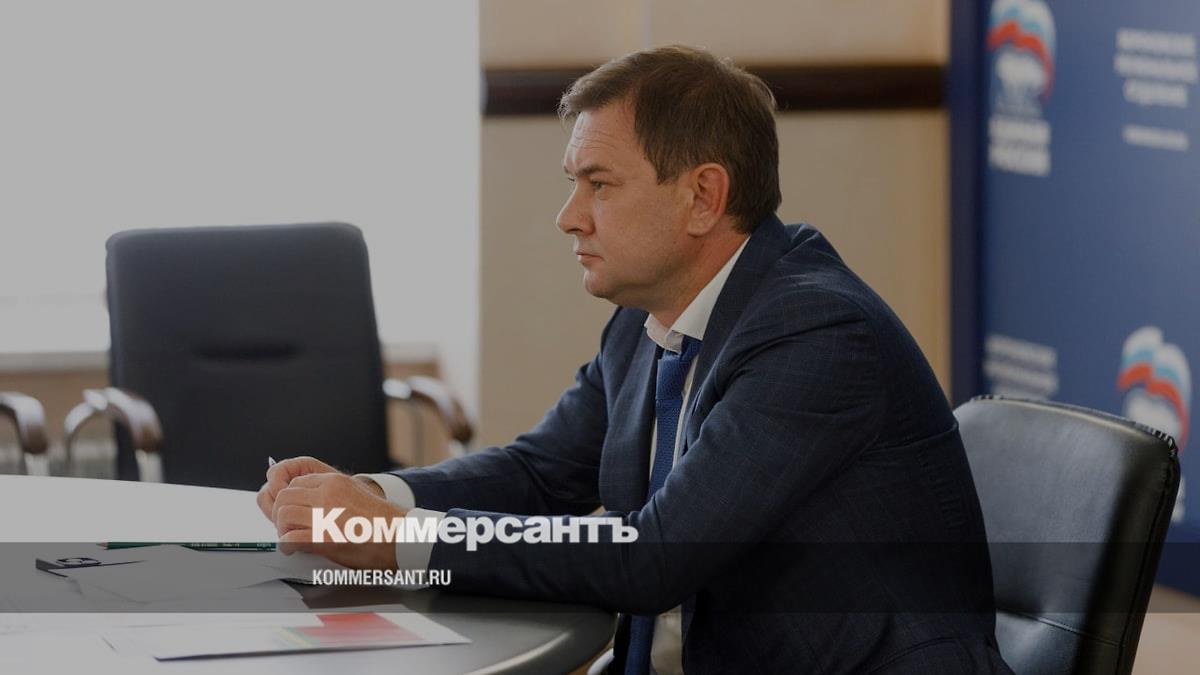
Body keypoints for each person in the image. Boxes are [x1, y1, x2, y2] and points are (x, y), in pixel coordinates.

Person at [258, 45, 1012, 674]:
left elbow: (653, 555)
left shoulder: (815, 332)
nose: (568, 217)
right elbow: (541, 471)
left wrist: (394, 537)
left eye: (599, 184)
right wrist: (371, 495)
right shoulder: (644, 315)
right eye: (573, 184)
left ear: (703, 196)